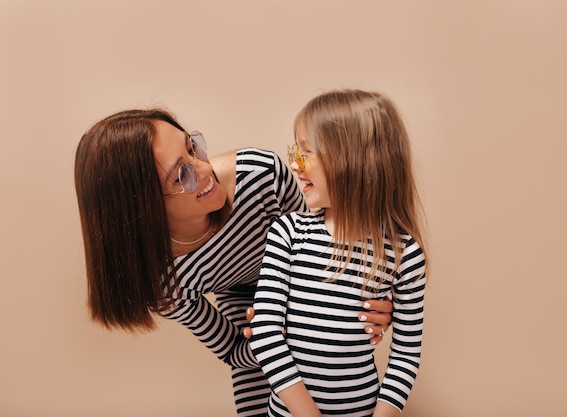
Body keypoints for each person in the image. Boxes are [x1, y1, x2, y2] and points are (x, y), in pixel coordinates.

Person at [73, 108, 393, 417]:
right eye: (181, 176)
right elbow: (232, 350)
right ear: (141, 209)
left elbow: (330, 246)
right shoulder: (161, 281)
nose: (204, 169)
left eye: (193, 147)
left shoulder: (260, 177)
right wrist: (265, 337)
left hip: (308, 284)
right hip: (245, 310)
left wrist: (374, 301)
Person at [250, 89, 428, 417]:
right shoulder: (287, 234)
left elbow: (405, 355)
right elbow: (265, 334)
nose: (293, 163)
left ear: (353, 160)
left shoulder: (405, 254)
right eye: (295, 150)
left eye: (306, 151)